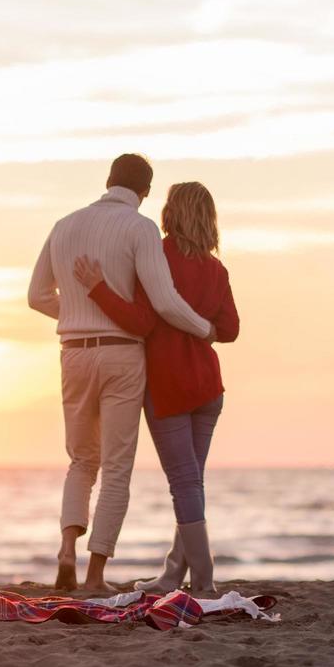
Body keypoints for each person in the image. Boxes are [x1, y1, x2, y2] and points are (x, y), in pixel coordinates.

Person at [27, 154, 215, 593]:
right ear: (145, 192)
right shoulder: (141, 228)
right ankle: (95, 577)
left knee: (80, 460)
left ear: (108, 180)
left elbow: (37, 296)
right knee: (115, 467)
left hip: (72, 352)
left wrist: (76, 311)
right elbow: (165, 303)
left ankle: (65, 551)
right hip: (122, 355)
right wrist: (204, 329)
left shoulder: (64, 225)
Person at [72, 181, 239, 597]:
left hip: (167, 387)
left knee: (184, 483)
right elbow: (232, 330)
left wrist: (97, 290)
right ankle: (172, 573)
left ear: (170, 214)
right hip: (207, 386)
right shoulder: (217, 270)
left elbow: (141, 320)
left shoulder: (158, 255)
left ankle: (202, 580)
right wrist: (204, 329)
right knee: (192, 482)